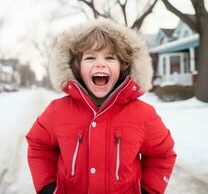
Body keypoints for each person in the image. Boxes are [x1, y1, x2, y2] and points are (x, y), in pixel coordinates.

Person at [26, 18, 176, 194]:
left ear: (123, 67)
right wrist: (47, 187)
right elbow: (39, 146)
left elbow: (162, 154)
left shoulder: (143, 114)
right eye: (90, 57)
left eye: (110, 58)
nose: (100, 63)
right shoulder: (58, 111)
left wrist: (149, 190)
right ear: (77, 68)